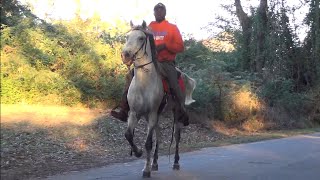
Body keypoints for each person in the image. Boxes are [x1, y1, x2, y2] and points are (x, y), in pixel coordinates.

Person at [111, 2, 189, 126]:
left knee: (174, 82)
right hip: (149, 61)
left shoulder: (172, 28)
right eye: (156, 10)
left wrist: (165, 46)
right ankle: (124, 109)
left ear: (165, 12)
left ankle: (181, 111)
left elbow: (180, 47)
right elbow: (140, 41)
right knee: (130, 77)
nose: (159, 12)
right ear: (153, 13)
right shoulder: (150, 27)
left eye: (161, 10)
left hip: (165, 62)